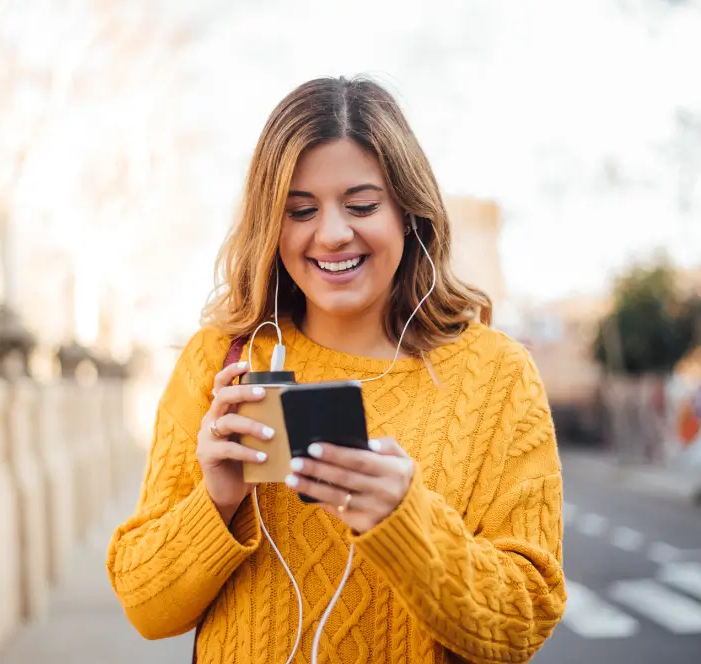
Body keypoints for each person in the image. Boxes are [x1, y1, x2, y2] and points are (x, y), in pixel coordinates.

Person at [107, 75, 566, 664]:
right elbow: (146, 609)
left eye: (362, 205)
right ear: (270, 226)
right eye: (300, 210)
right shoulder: (217, 360)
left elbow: (521, 623)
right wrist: (216, 499)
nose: (331, 233)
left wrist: (407, 523)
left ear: (408, 210)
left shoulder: (498, 375)